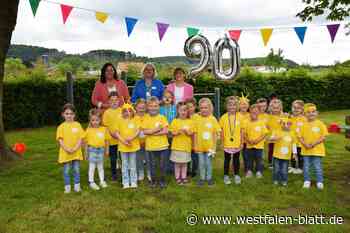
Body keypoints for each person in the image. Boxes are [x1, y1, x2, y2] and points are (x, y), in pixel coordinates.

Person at [298, 103, 328, 190]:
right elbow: (300, 137)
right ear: (304, 114)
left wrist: (314, 144)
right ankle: (307, 180)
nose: (311, 114)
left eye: (313, 112)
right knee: (306, 166)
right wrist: (305, 144)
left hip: (317, 150)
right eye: (308, 112)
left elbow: (323, 137)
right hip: (306, 150)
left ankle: (319, 181)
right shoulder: (302, 125)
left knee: (317, 166)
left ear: (317, 113)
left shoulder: (320, 124)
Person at [56, 103, 84, 193]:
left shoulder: (78, 125)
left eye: (71, 114)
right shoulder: (61, 127)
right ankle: (67, 187)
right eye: (67, 113)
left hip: (76, 151)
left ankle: (77, 186)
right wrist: (67, 149)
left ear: (74, 115)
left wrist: (76, 148)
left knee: (76, 169)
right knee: (67, 170)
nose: (69, 116)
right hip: (66, 152)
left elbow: (81, 138)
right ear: (63, 114)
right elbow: (60, 140)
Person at [142, 97, 169, 188]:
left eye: (155, 106)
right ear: (147, 107)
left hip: (163, 146)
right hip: (150, 147)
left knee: (162, 165)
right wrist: (157, 130)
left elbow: (166, 131)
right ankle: (153, 181)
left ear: (159, 107)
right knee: (151, 165)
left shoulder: (162, 117)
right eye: (151, 106)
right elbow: (145, 132)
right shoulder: (146, 118)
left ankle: (162, 180)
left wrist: (152, 133)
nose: (153, 108)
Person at [193, 98, 221, 186]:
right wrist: (195, 145)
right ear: (199, 109)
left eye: (206, 108)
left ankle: (209, 178)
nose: (203, 110)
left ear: (210, 108)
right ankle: (202, 178)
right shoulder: (197, 119)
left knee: (208, 163)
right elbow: (195, 133)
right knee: (201, 163)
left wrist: (214, 147)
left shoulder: (213, 119)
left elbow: (216, 133)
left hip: (210, 147)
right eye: (201, 108)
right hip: (200, 147)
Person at [113, 104, 140, 189]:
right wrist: (124, 141)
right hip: (123, 146)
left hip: (133, 145)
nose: (127, 113)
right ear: (122, 112)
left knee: (133, 164)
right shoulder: (119, 120)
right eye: (125, 111)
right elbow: (116, 133)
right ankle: (125, 182)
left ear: (132, 111)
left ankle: (133, 181)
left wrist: (131, 138)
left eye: (129, 111)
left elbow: (138, 131)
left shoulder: (136, 119)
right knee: (124, 165)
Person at [219, 96, 244, 185]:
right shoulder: (223, 117)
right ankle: (226, 175)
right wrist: (222, 142)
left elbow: (242, 131)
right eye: (230, 105)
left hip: (237, 142)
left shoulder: (240, 117)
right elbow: (221, 131)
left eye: (234, 105)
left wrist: (241, 142)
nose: (232, 107)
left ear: (237, 106)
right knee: (227, 159)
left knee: (236, 159)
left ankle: (236, 175)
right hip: (227, 143)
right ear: (227, 106)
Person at [84, 109, 110, 190]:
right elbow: (85, 143)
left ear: (100, 120)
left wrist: (107, 150)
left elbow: (107, 140)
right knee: (92, 166)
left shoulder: (104, 129)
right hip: (92, 150)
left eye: (97, 120)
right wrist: (86, 153)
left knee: (100, 166)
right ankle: (91, 181)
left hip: (101, 150)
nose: (95, 122)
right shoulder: (88, 130)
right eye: (93, 120)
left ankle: (102, 181)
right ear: (90, 121)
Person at [169, 102, 194, 185]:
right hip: (177, 147)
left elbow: (191, 133)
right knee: (177, 163)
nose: (183, 112)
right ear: (178, 111)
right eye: (181, 110)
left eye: (185, 110)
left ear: (187, 112)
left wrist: (187, 132)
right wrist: (177, 132)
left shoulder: (190, 121)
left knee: (184, 163)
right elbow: (171, 133)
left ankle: (183, 177)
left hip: (186, 147)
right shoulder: (175, 121)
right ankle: (177, 177)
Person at [270, 117, 297, 186]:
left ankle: (284, 180)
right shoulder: (276, 131)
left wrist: (294, 153)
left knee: (284, 170)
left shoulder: (292, 133)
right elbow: (271, 139)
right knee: (276, 169)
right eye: (283, 124)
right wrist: (274, 138)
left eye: (288, 124)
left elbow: (294, 144)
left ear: (290, 125)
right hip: (277, 155)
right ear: (280, 124)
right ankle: (275, 180)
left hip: (286, 156)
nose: (285, 126)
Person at [102, 91, 122, 181]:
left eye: (116, 100)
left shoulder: (122, 110)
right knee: (113, 158)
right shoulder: (107, 112)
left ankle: (124, 171)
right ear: (109, 102)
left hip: (121, 139)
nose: (114, 102)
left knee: (122, 157)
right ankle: (114, 174)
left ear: (119, 101)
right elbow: (106, 126)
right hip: (111, 139)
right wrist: (112, 134)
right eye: (112, 100)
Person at [245, 104, 268, 179]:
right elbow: (244, 134)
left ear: (259, 113)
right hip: (249, 145)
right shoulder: (247, 123)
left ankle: (259, 171)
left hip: (259, 146)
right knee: (249, 159)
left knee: (259, 159)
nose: (254, 114)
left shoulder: (261, 123)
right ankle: (249, 171)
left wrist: (257, 140)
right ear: (250, 113)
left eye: (256, 112)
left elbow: (264, 134)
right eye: (252, 112)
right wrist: (248, 140)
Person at [134, 98, 150, 181]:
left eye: (143, 108)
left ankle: (149, 172)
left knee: (148, 158)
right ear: (136, 108)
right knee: (138, 158)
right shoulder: (133, 117)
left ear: (146, 108)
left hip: (147, 141)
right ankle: (140, 172)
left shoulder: (148, 116)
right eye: (139, 108)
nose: (141, 110)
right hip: (137, 141)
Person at [289, 100, 306, 175]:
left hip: (300, 141)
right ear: (291, 108)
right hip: (292, 141)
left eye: (298, 108)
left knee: (300, 155)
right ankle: (293, 167)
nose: (296, 109)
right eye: (294, 107)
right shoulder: (289, 118)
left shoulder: (304, 119)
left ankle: (300, 168)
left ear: (302, 110)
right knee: (292, 154)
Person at [266, 99, 284, 169]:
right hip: (271, 137)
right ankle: (271, 163)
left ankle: (281, 162)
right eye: (274, 108)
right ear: (271, 108)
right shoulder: (269, 117)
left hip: (280, 137)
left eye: (277, 108)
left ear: (280, 108)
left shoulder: (283, 116)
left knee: (280, 149)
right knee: (271, 150)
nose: (275, 110)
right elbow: (266, 126)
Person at [186, 98, 200, 177]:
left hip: (195, 141)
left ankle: (194, 171)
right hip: (187, 141)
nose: (189, 109)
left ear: (194, 107)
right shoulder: (185, 116)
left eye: (191, 107)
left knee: (195, 157)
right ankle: (187, 171)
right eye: (187, 107)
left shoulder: (198, 116)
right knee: (187, 157)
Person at [238, 93, 250, 174]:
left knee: (246, 155)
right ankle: (236, 168)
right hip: (237, 139)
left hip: (247, 139)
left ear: (248, 106)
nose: (244, 106)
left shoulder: (250, 115)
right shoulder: (236, 115)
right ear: (239, 106)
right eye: (242, 104)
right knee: (236, 155)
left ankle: (247, 169)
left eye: (245, 104)